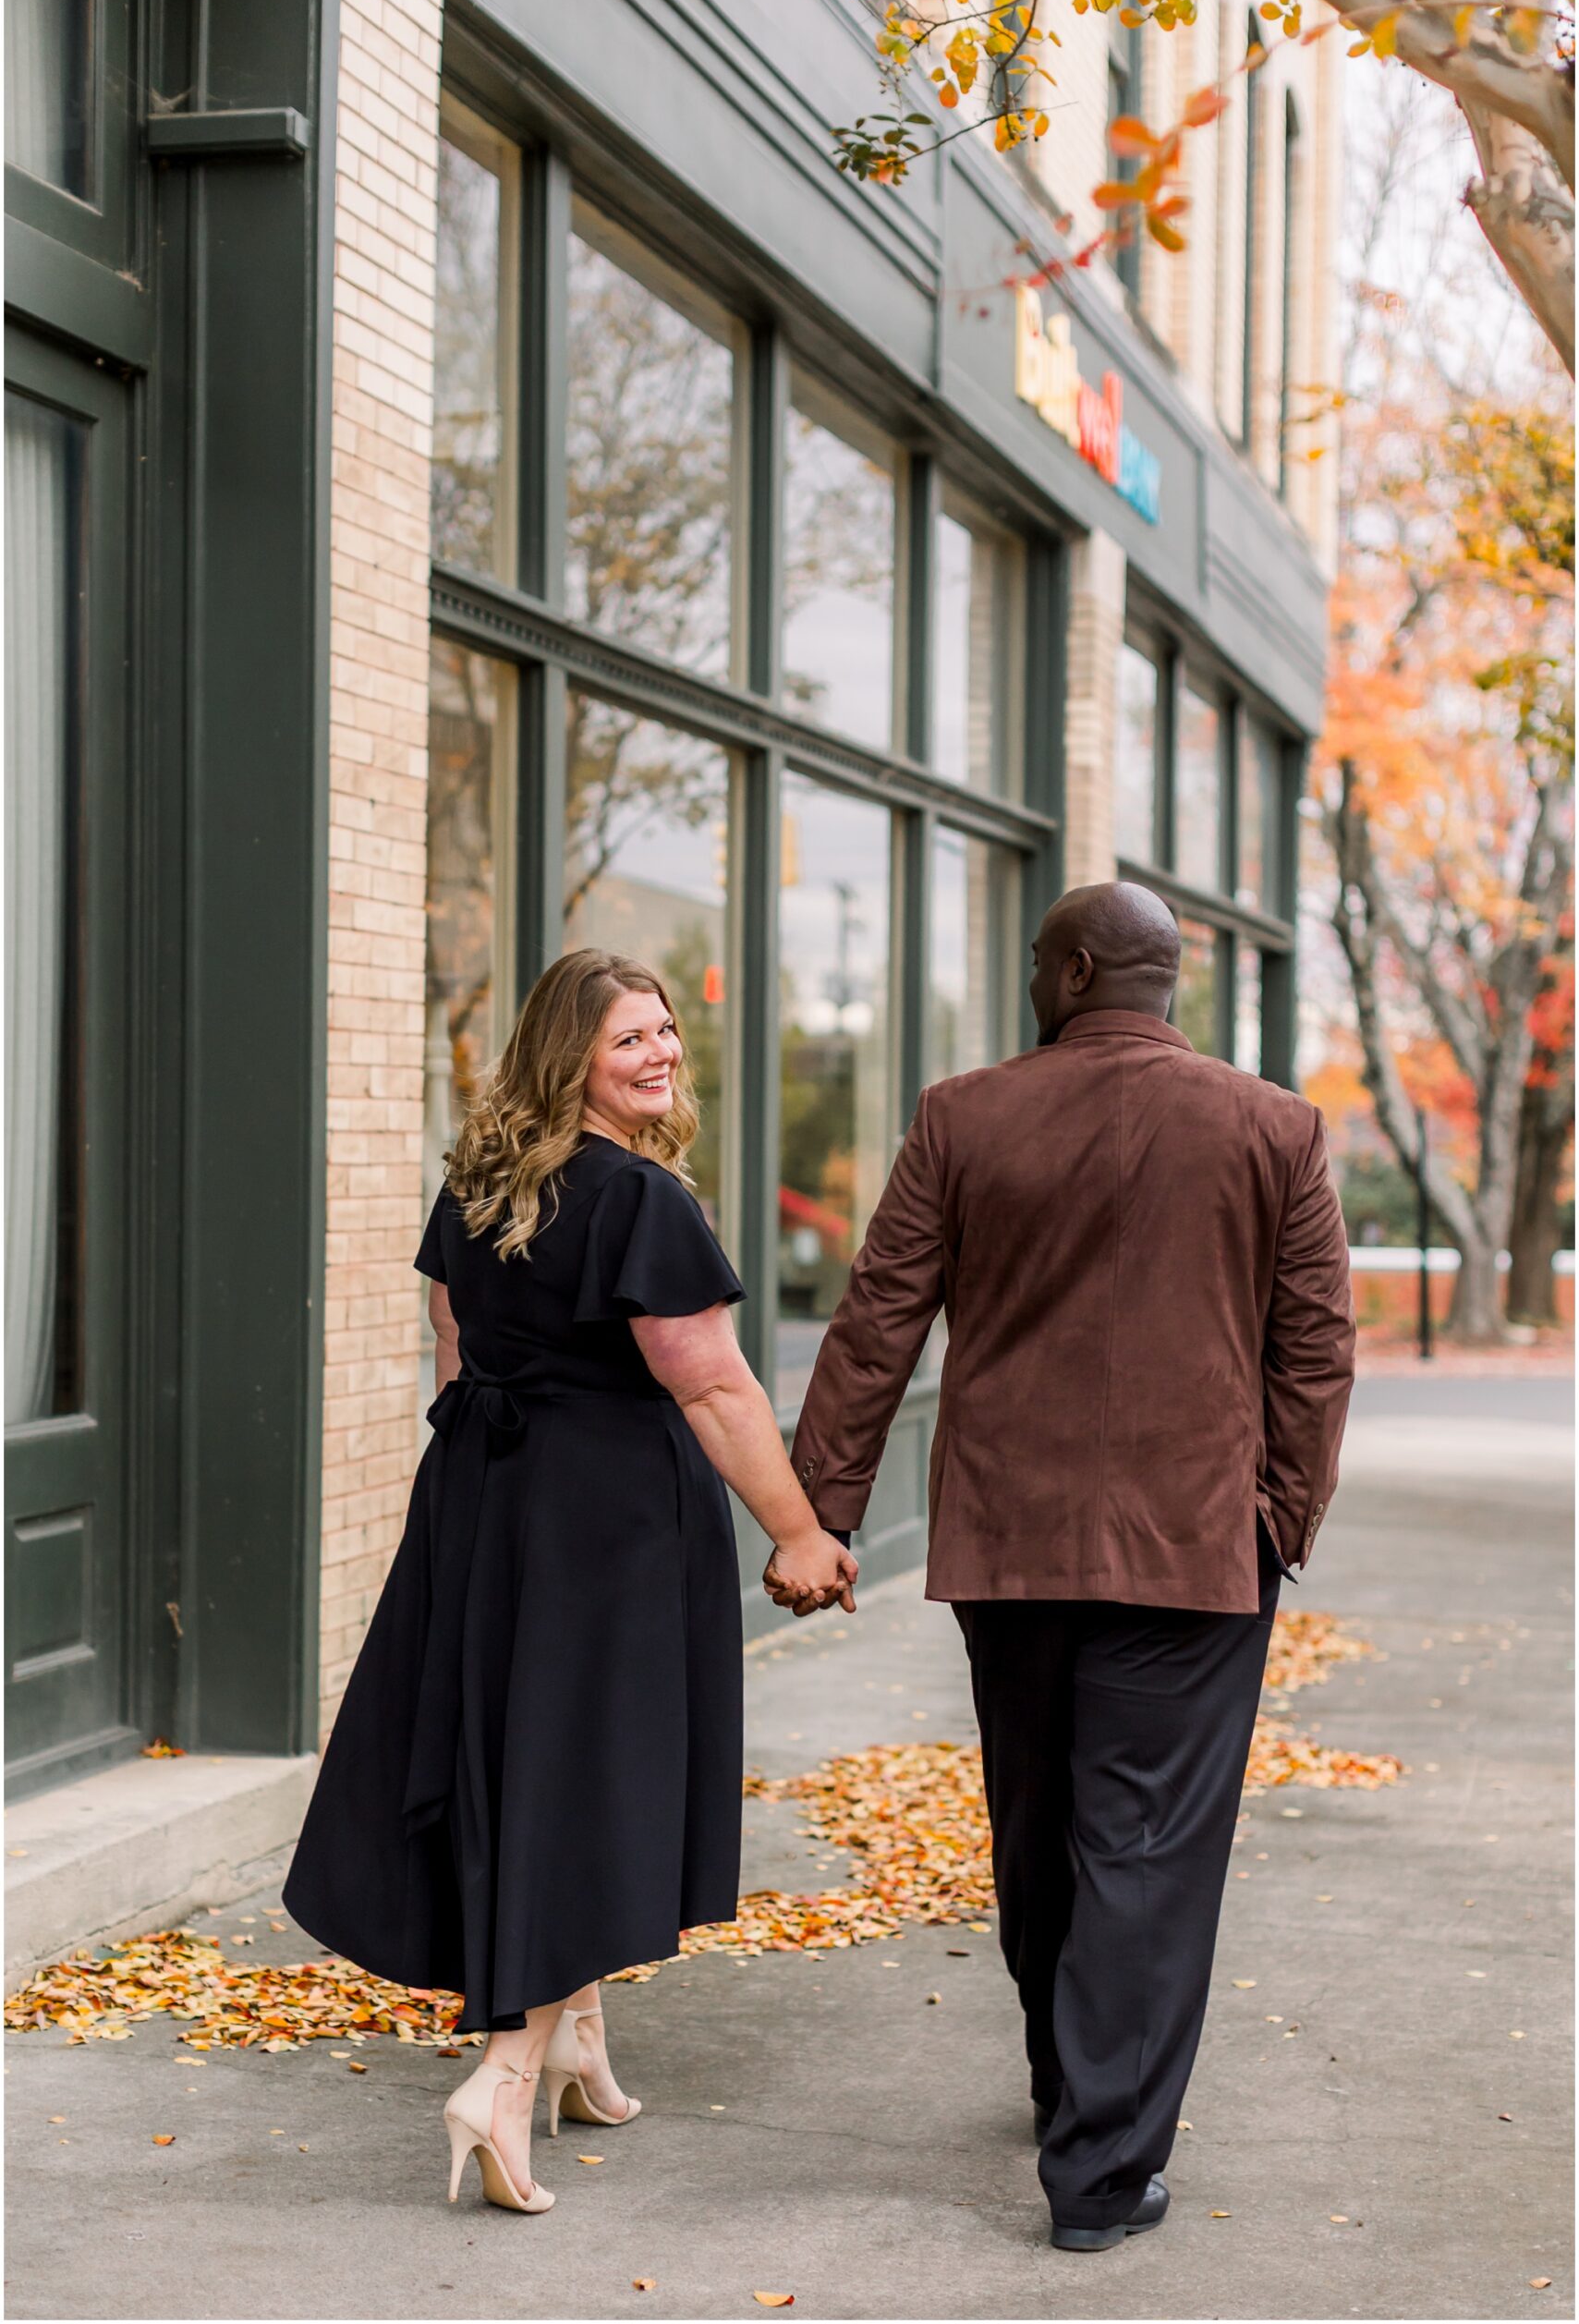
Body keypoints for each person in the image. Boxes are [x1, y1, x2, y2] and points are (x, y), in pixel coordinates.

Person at [781, 881, 1355, 2250]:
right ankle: (1099, 2170)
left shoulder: (962, 1114)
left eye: (1040, 960)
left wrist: (823, 1510)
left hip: (1011, 1540)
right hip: (1194, 1546)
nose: (1032, 978)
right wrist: (1282, 1515)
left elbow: (876, 1321)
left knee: (1038, 1832)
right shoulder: (1273, 1126)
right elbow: (1315, 1347)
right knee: (1144, 1847)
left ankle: (1072, 2095)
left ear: (1078, 969)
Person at [285, 947, 856, 2216]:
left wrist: (494, 1458)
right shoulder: (638, 1200)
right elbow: (710, 1383)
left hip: (488, 1498)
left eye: (664, 1033)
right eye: (628, 1041)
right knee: (581, 1781)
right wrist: (797, 1532)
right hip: (606, 1527)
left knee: (529, 1757)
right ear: (571, 1060)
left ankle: (578, 2046)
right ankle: (502, 2075)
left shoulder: (485, 1180)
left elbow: (450, 1331)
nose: (659, 1053)